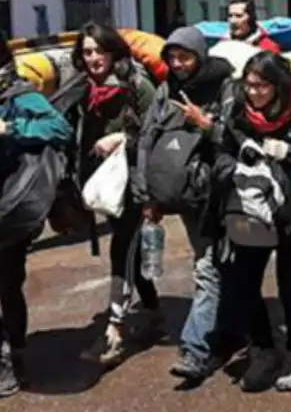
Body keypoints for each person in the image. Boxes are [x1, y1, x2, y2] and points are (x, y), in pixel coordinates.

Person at [219, 51, 291, 392]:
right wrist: (237, 164)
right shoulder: (239, 114)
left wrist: (290, 154)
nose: (253, 93)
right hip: (251, 209)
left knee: (290, 288)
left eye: (261, 86)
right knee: (244, 281)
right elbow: (222, 154)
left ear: (279, 85)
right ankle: (264, 349)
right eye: (249, 85)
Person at [132, 26, 237, 381]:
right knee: (213, 266)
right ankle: (225, 332)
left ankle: (197, 349)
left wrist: (206, 124)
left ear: (199, 55)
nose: (177, 64)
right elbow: (147, 141)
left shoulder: (224, 87)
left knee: (211, 267)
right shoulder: (165, 90)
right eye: (172, 57)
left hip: (218, 194)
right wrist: (148, 195)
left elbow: (238, 139)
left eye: (185, 57)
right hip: (180, 195)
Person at [68, 22, 163, 366]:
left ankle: (114, 331)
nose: (92, 58)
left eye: (98, 50)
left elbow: (157, 133)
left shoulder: (137, 84)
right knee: (133, 256)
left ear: (113, 51)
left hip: (137, 184)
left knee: (122, 251)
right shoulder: (84, 89)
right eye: (86, 51)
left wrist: (122, 138)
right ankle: (153, 313)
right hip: (109, 187)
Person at [0, 34, 73, 398]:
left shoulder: (17, 94)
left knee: (8, 288)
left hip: (9, 211)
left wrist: (12, 130)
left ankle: (16, 355)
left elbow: (60, 128)